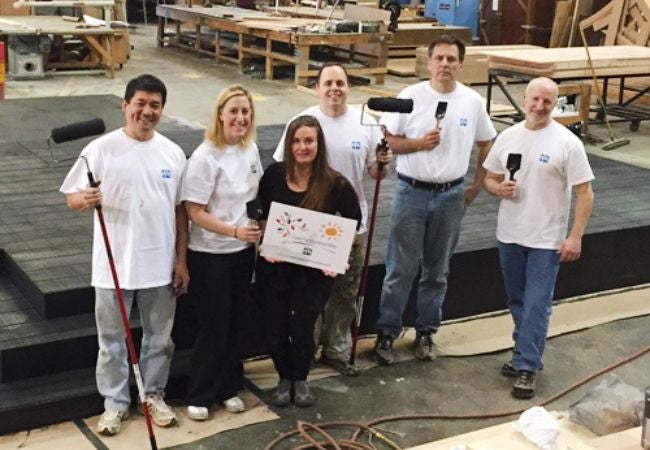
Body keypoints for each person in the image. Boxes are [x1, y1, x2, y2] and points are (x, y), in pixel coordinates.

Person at [60, 74, 189, 436]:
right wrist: (83, 200)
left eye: (155, 105)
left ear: (162, 110)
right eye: (141, 103)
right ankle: (115, 404)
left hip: (159, 267)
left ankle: (153, 396)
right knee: (112, 343)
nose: (147, 111)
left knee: (160, 340)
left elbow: (181, 211)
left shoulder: (173, 153)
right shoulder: (99, 150)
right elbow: (71, 197)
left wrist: (181, 260)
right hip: (111, 267)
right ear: (125, 105)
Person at [373, 35, 497, 365]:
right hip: (410, 192)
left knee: (437, 270)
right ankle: (387, 331)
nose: (444, 64)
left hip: (451, 196)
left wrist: (477, 185)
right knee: (400, 268)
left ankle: (426, 331)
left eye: (451, 59)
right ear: (428, 63)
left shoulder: (471, 102)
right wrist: (417, 144)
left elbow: (488, 142)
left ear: (460, 64)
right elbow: (387, 141)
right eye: (439, 58)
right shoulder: (410, 97)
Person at [273, 63, 391, 376]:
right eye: (328, 83)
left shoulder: (366, 124)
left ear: (349, 87)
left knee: (344, 291)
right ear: (317, 88)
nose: (334, 89)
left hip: (351, 226)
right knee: (309, 294)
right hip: (310, 228)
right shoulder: (302, 123)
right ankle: (305, 349)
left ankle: (337, 350)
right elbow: (281, 171)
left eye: (340, 83)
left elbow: (375, 173)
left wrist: (382, 163)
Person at [483, 77, 594, 399]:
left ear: (554, 103)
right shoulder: (508, 137)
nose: (539, 106)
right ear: (524, 99)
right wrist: (497, 188)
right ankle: (523, 352)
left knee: (536, 304)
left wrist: (575, 237)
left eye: (547, 101)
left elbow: (585, 193)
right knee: (517, 300)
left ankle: (528, 366)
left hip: (546, 239)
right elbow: (490, 178)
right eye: (535, 99)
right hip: (510, 234)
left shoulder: (566, 142)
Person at [259, 115, 361, 407]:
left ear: (319, 145)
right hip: (275, 267)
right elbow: (260, 212)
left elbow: (354, 221)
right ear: (289, 144)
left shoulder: (335, 183)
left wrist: (338, 254)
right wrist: (266, 239)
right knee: (275, 325)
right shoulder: (273, 175)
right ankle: (284, 377)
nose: (302, 147)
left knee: (303, 327)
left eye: (309, 141)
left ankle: (301, 378)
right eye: (297, 141)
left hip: (313, 273)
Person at [182, 85, 263, 420]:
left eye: (245, 112)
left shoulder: (251, 149)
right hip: (210, 255)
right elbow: (194, 211)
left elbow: (252, 197)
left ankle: (229, 387)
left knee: (236, 323)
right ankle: (201, 394)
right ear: (220, 115)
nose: (240, 118)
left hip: (242, 252)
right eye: (234, 112)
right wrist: (233, 230)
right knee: (214, 326)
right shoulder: (204, 157)